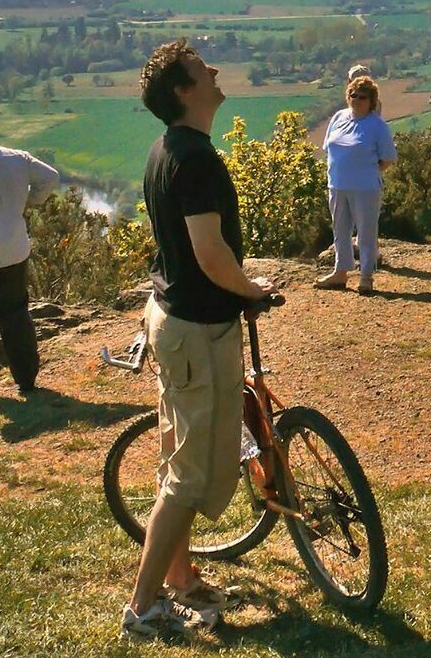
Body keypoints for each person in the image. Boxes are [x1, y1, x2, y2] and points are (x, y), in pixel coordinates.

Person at [122, 41, 271, 640]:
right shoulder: (199, 160)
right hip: (197, 329)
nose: (214, 71)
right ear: (185, 92)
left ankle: (180, 579)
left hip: (172, 319)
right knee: (188, 475)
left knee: (173, 460)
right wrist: (252, 288)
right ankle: (142, 608)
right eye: (201, 69)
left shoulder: (166, 150)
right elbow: (211, 256)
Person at [0, 111, 60, 400]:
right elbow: (50, 177)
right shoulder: (17, 158)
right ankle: (26, 378)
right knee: (16, 314)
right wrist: (30, 201)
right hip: (14, 247)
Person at [316, 75, 395, 295]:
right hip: (337, 185)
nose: (357, 99)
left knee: (366, 233)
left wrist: (366, 172)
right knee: (340, 230)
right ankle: (340, 272)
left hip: (365, 187)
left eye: (362, 97)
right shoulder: (338, 117)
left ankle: (366, 276)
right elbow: (328, 148)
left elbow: (387, 158)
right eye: (353, 95)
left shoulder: (377, 125)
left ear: (371, 100)